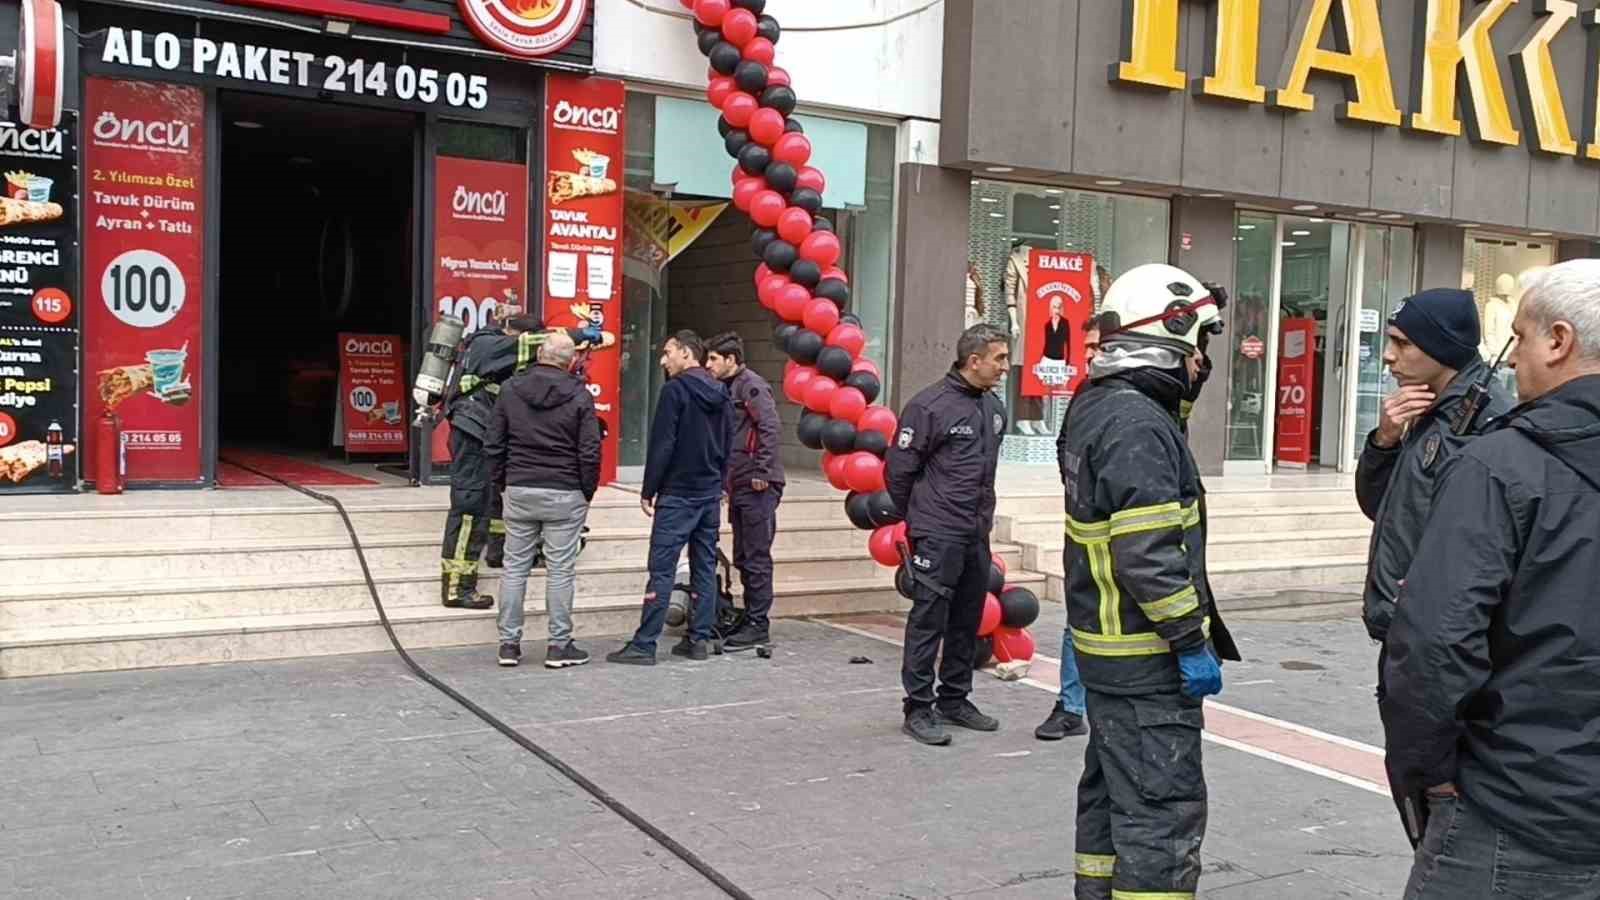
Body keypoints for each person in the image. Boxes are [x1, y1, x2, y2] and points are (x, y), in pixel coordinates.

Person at [1381, 260, 1600, 898]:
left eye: (1522, 338)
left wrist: (1427, 775)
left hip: (1511, 810)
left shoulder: (1502, 464)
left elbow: (1432, 646)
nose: (1510, 360)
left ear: (1559, 342)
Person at [1060, 264, 1240, 900]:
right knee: (1162, 816)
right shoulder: (1139, 424)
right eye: (1203, 344)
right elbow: (1147, 553)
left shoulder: (1097, 404)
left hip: (1107, 654)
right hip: (1146, 658)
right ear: (1174, 335)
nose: (1203, 362)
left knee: (1112, 796)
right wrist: (1190, 640)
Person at [1355, 288, 1511, 695]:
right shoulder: (1427, 409)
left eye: (1403, 343)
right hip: (1408, 631)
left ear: (1442, 348)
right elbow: (1383, 507)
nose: (1389, 355)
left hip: (1440, 640)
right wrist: (1384, 442)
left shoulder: (1485, 422)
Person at [884, 323, 1010, 746]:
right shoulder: (929, 406)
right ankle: (918, 708)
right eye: (999, 359)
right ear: (973, 361)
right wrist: (920, 519)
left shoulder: (993, 409)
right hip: (938, 534)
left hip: (976, 534)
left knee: (966, 620)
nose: (1006, 368)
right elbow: (899, 472)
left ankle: (954, 699)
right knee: (928, 620)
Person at [608, 331, 734, 665]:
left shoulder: (674, 391)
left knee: (662, 568)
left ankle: (645, 643)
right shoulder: (721, 392)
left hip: (678, 494)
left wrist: (649, 489)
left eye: (667, 353)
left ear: (686, 353)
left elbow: (662, 444)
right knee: (704, 567)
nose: (663, 361)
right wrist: (722, 483)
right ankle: (698, 640)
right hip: (708, 494)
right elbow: (727, 443)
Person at [485, 331, 601, 669]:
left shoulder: (510, 389)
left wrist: (502, 484)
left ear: (539, 355)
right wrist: (586, 490)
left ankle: (508, 645)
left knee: (514, 568)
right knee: (561, 570)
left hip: (520, 487)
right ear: (570, 361)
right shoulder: (580, 395)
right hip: (565, 491)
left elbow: (494, 444)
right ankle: (558, 645)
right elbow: (590, 450)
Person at [438, 312, 542, 609]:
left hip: (483, 432)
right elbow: (542, 343)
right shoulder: (491, 345)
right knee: (470, 507)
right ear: (514, 335)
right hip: (472, 432)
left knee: (494, 499)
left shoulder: (490, 348)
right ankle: (458, 587)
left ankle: (498, 552)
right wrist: (587, 334)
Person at [1035, 319, 1099, 741]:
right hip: (1083, 529)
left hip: (1133, 536)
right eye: (1087, 347)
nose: (1090, 354)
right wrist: (1079, 494)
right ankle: (1070, 706)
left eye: (1097, 345)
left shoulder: (1148, 396)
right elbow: (1064, 446)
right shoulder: (1083, 394)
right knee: (1077, 618)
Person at [704, 332, 784, 651]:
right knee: (742, 554)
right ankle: (749, 613)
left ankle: (758, 623)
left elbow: (769, 427)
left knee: (755, 554)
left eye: (713, 359)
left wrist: (763, 470)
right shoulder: (727, 387)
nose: (708, 364)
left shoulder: (752, 385)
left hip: (757, 484)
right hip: (739, 483)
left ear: (731, 361)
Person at [1042, 295, 1070, 362]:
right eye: (1054, 307)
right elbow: (1046, 343)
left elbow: (1068, 342)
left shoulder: (1065, 323)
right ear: (1051, 308)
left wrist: (1068, 359)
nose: (1057, 310)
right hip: (1047, 357)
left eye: (1059, 307)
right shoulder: (1047, 325)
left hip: (1060, 358)